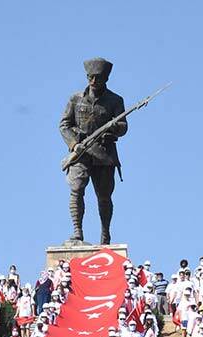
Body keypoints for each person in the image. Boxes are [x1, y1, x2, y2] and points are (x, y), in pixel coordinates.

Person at [59, 57, 127, 245]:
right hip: (81, 152)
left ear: (105, 78)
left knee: (104, 197)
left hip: (104, 154)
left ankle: (105, 234)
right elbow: (64, 125)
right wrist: (73, 144)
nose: (94, 81)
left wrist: (113, 127)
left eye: (98, 77)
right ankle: (77, 232)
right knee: (76, 189)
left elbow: (123, 127)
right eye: (90, 77)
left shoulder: (115, 100)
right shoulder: (75, 99)